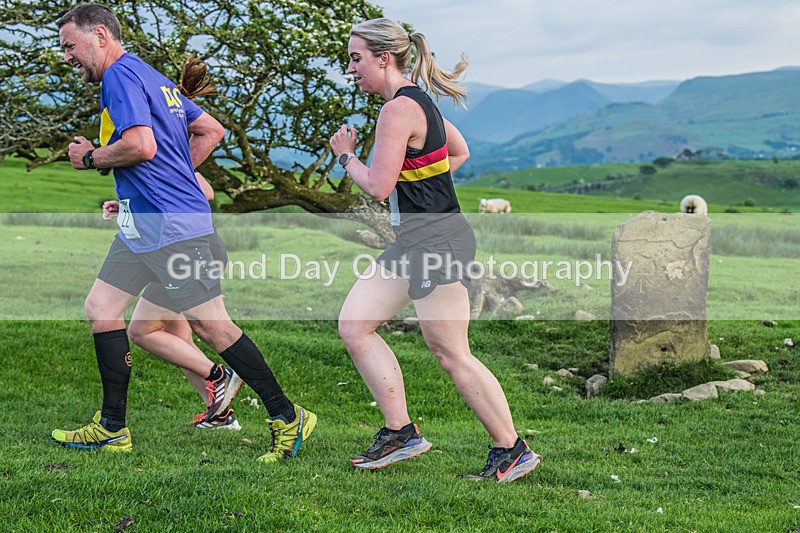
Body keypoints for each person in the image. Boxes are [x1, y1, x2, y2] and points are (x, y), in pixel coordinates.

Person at [51, 3, 315, 461]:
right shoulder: (150, 76)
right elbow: (210, 130)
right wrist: (162, 184)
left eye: (70, 46)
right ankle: (112, 428)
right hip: (143, 225)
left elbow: (140, 145)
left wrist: (90, 157)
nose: (67, 56)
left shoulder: (119, 77)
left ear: (100, 35)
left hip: (174, 227)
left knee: (211, 326)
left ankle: (288, 415)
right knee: (101, 309)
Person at [329, 18, 541, 482]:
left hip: (437, 242)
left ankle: (512, 449)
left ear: (384, 58)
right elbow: (459, 152)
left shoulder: (397, 111)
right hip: (415, 241)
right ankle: (400, 433)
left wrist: (346, 155)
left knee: (450, 351)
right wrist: (423, 184)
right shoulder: (417, 101)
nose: (351, 68)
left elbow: (379, 187)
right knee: (355, 325)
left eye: (356, 58)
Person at [102, 170, 241, 431]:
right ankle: (219, 416)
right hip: (169, 254)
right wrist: (130, 208)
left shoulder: (163, 155)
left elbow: (204, 192)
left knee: (142, 331)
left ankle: (219, 375)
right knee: (176, 336)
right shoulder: (146, 159)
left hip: (187, 254)